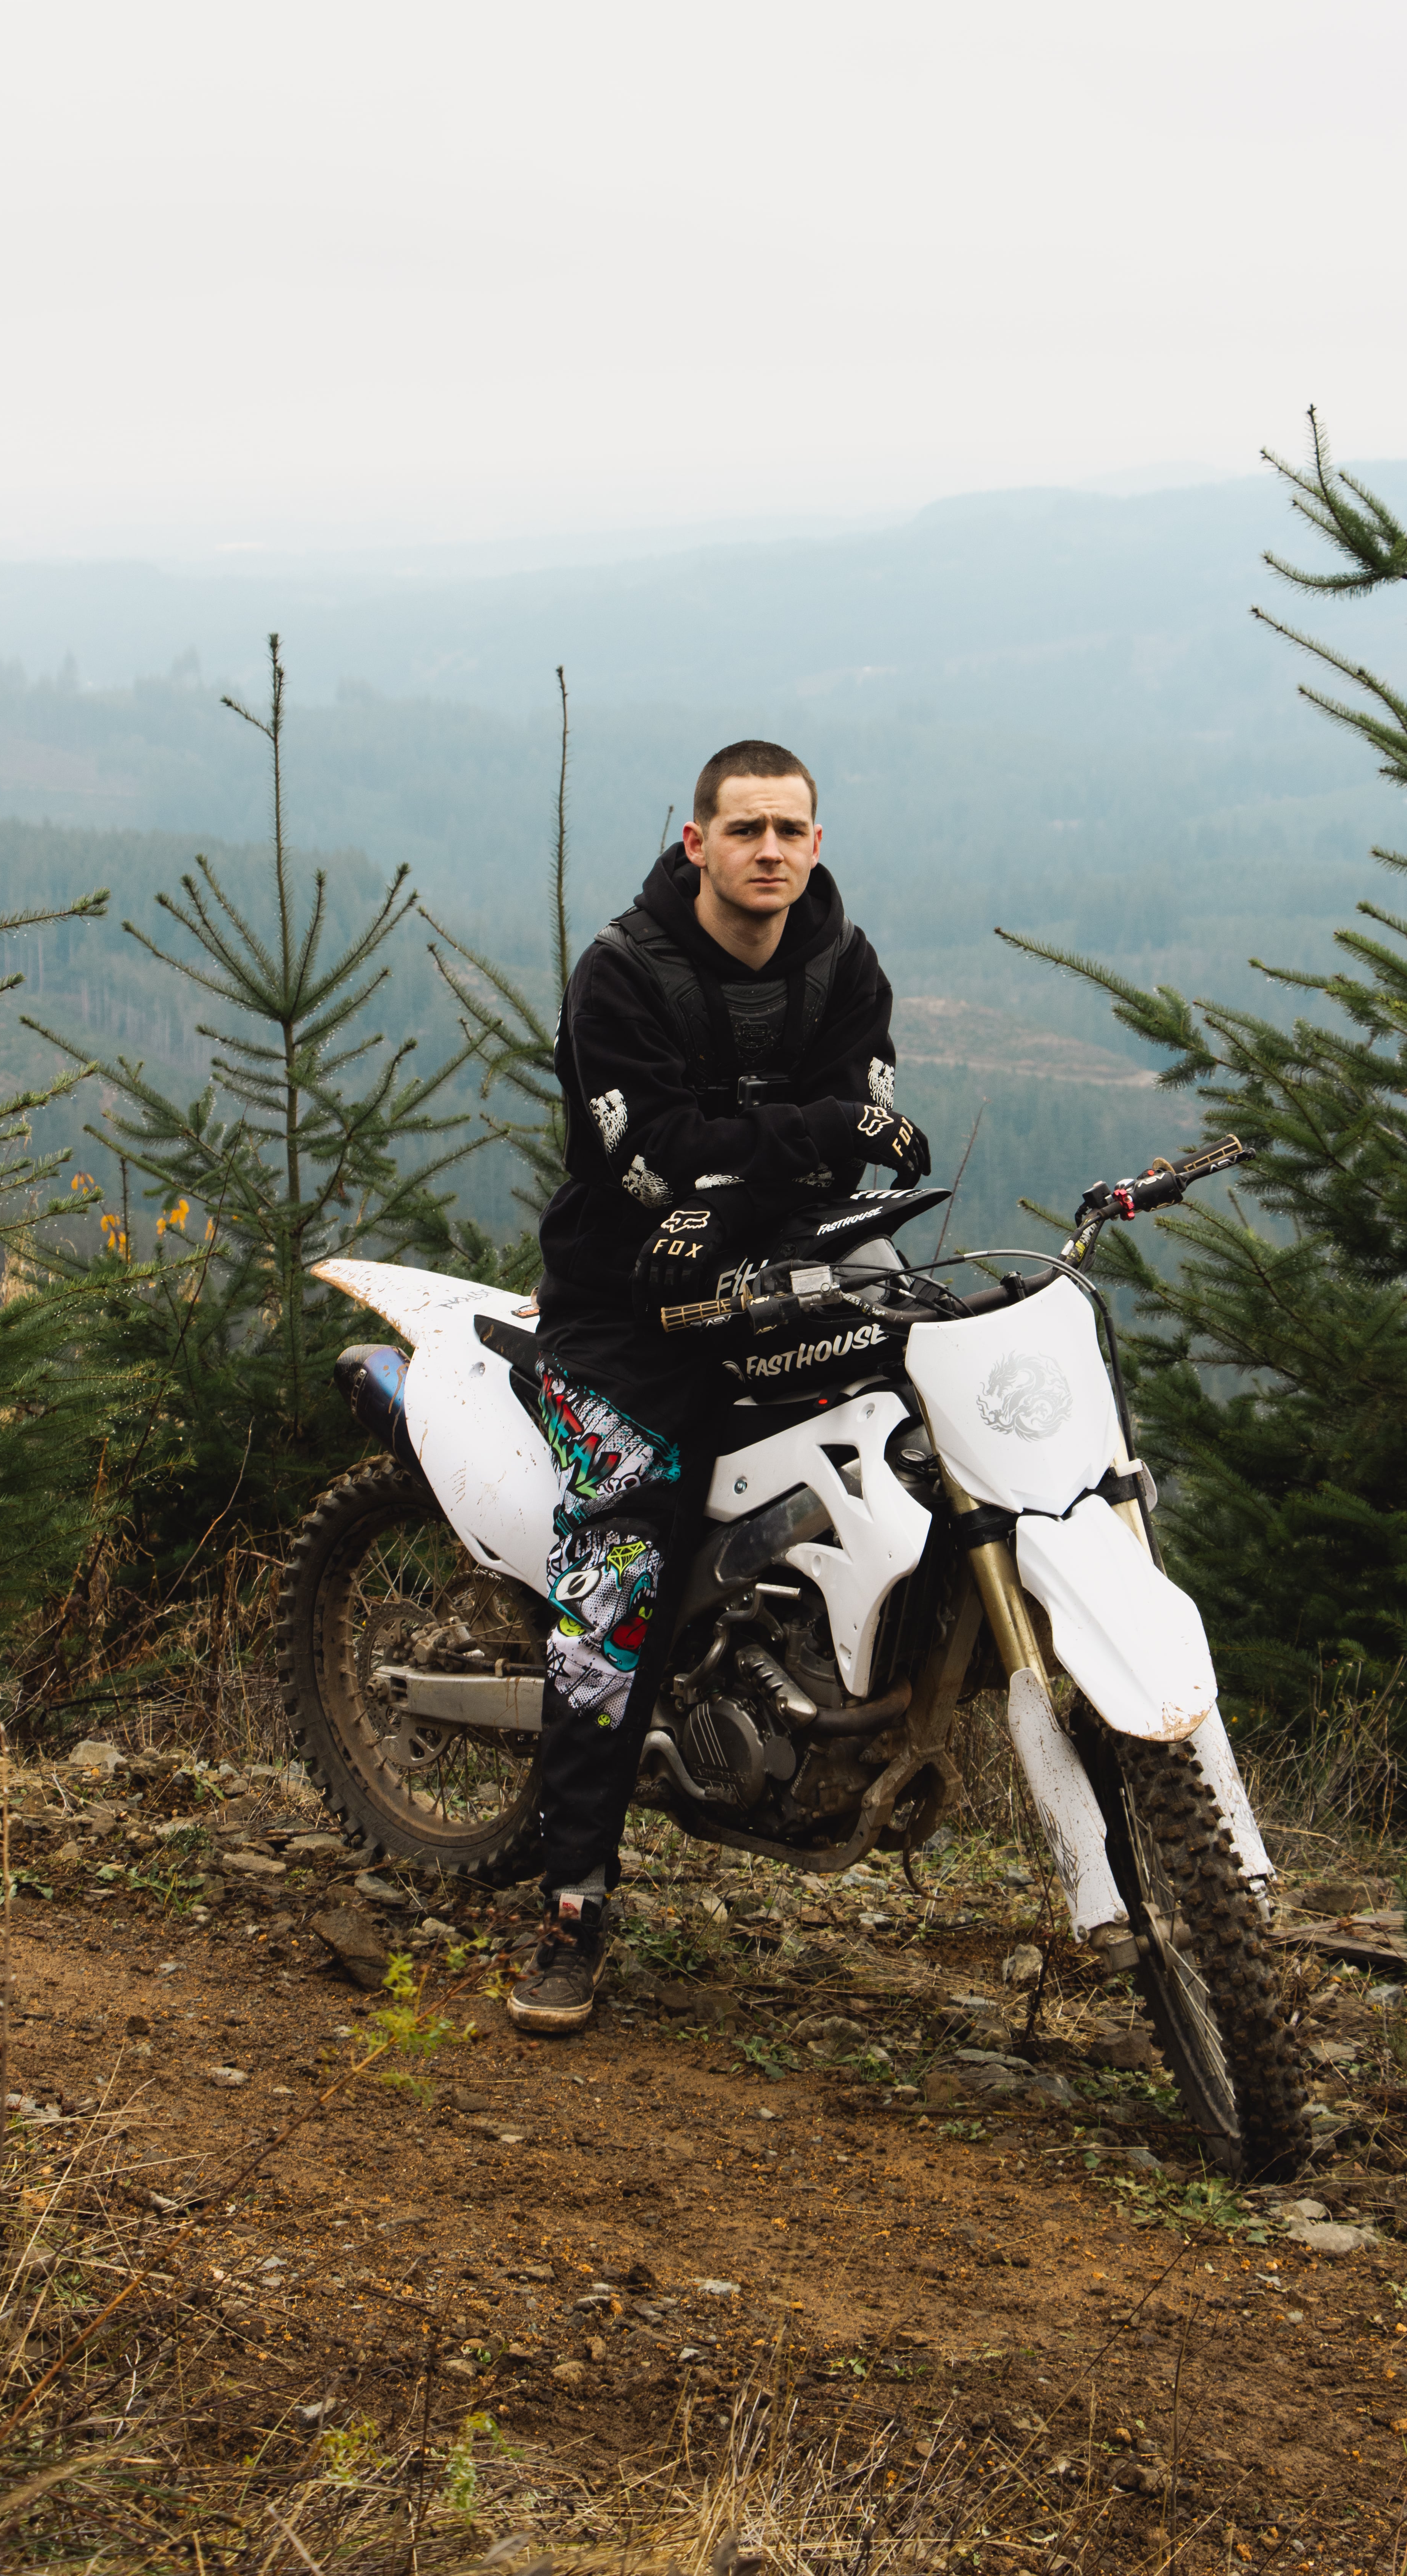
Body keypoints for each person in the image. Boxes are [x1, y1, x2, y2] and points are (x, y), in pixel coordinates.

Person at [507, 737, 930, 2033]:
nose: (769, 853)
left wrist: (755, 1167)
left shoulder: (841, 964)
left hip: (792, 1281)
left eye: (791, 831)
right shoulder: (622, 977)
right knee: (621, 1562)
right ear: (696, 842)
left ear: (817, 841)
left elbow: (858, 1160)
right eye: (744, 830)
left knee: (927, 1440)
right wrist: (806, 1142)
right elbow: (656, 1169)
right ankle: (574, 1899)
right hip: (626, 1308)